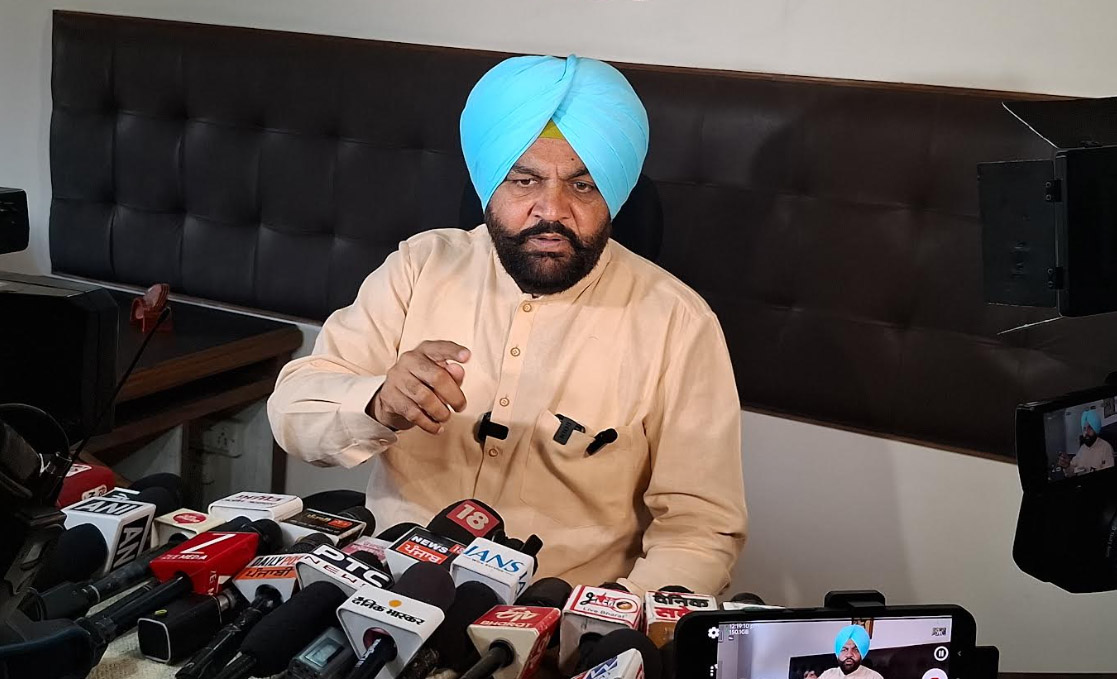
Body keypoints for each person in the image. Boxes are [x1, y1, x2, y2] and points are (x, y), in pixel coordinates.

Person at [267, 54, 747, 593]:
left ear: (614, 196)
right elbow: (292, 414)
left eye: (583, 186)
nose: (551, 210)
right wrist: (379, 402)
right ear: (488, 184)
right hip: (390, 592)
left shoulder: (677, 321)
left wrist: (603, 623)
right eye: (524, 180)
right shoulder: (421, 266)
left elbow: (699, 531)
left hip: (562, 615)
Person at [1058, 410, 1115, 477]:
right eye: (1084, 429)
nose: (1086, 432)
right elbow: (1071, 472)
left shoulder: (1106, 447)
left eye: (1090, 428)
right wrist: (1067, 466)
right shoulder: (1082, 448)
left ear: (1096, 429)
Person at [818, 625, 883, 679]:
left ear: (862, 654)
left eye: (855, 650)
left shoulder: (874, 677)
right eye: (844, 650)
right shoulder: (827, 675)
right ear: (838, 653)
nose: (849, 654)